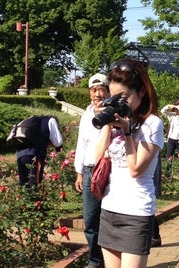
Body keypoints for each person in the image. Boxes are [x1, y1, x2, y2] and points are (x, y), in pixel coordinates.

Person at [94, 58, 164, 267]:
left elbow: (135, 169)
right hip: (110, 207)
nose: (120, 102)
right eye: (114, 97)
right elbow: (96, 159)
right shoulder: (119, 122)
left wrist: (126, 131)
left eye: (124, 97)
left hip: (136, 211)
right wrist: (108, 123)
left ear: (141, 92)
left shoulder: (152, 124)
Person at [74, 73, 111, 268]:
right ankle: (95, 261)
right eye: (94, 90)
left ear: (108, 91)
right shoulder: (87, 114)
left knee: (111, 217)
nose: (97, 94)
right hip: (89, 170)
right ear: (89, 93)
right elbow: (82, 144)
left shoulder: (114, 112)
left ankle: (113, 259)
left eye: (101, 89)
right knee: (90, 219)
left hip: (110, 170)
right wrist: (79, 172)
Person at [16, 116, 63, 186]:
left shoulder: (34, 122)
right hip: (34, 156)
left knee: (23, 186)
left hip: (20, 154)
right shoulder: (51, 120)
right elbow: (58, 142)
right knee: (34, 185)